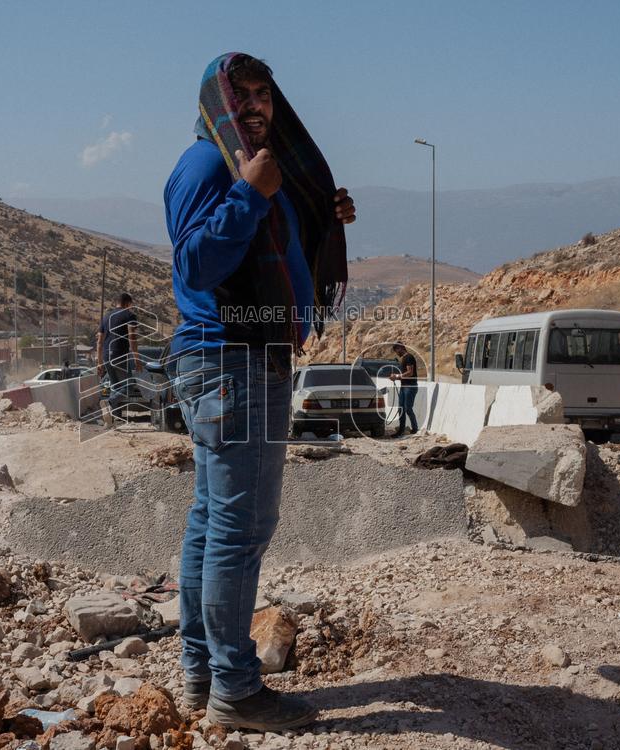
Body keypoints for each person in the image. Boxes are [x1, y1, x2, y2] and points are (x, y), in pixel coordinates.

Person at [164, 53, 354, 731]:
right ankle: (237, 693)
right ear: (216, 104)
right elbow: (195, 261)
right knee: (238, 534)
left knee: (213, 526)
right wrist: (248, 192)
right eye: (237, 95)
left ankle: (201, 676)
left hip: (240, 360)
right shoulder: (211, 166)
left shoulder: (248, 163)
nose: (252, 105)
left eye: (262, 93)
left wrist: (322, 218)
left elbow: (272, 251)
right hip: (231, 361)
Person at [96, 293, 140, 409]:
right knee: (129, 386)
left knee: (115, 387)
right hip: (119, 355)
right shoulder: (129, 316)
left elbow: (99, 341)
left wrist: (99, 362)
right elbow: (132, 338)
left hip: (106, 356)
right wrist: (137, 360)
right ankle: (109, 403)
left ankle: (110, 418)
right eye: (131, 305)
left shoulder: (106, 317)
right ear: (127, 303)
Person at [388, 343, 419, 437]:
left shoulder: (409, 357)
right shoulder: (404, 358)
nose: (396, 353)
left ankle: (415, 429)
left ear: (401, 348)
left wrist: (397, 376)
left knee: (408, 408)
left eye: (396, 350)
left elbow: (410, 372)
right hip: (404, 386)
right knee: (401, 409)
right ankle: (401, 431)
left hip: (410, 387)